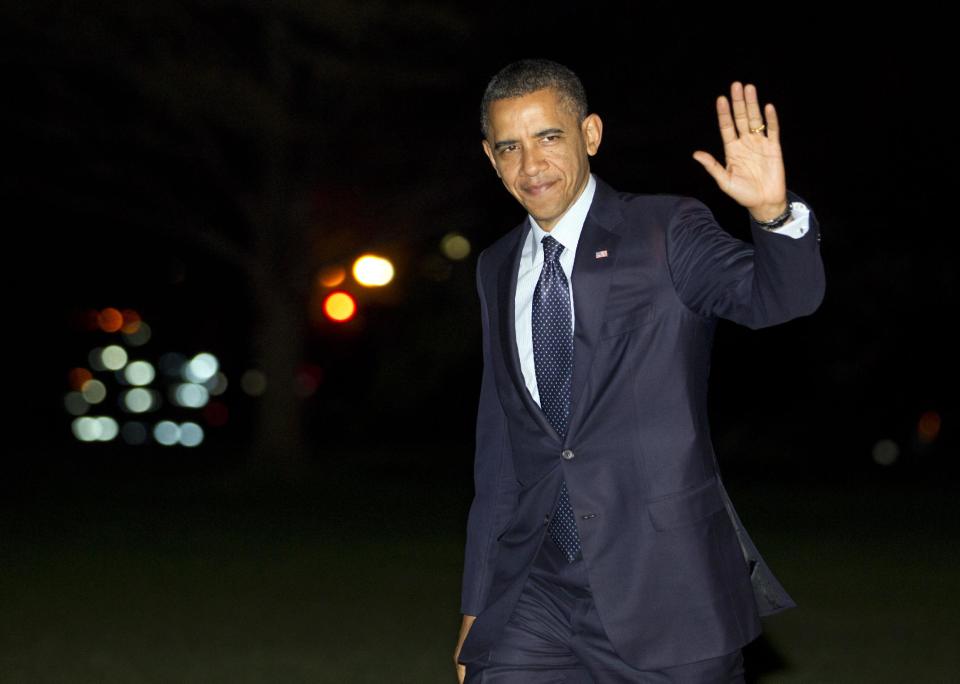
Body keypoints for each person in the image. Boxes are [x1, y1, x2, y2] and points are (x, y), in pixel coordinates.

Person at [453, 59, 824, 683]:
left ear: (590, 135)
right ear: (491, 158)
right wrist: (474, 607)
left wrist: (773, 215)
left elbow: (778, 300)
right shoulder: (495, 266)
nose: (531, 165)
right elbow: (499, 452)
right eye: (510, 147)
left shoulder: (665, 229)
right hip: (536, 594)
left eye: (549, 137)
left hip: (666, 586)